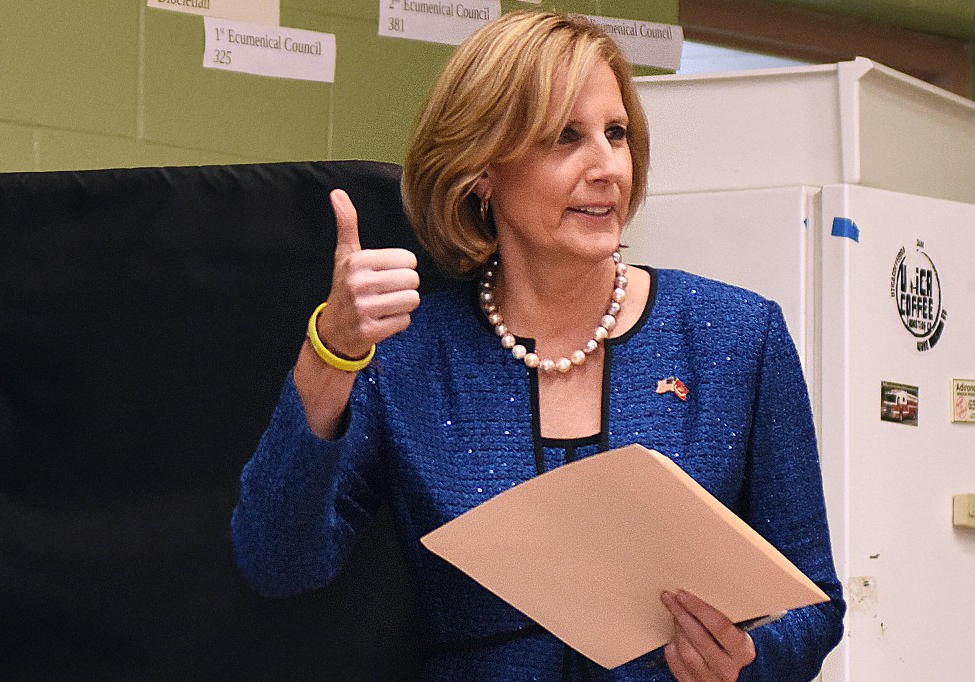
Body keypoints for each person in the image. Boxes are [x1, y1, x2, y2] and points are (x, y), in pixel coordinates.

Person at [232, 10, 845, 681]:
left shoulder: (737, 336)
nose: (608, 167)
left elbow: (815, 606)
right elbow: (277, 562)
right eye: (565, 138)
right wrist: (331, 353)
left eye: (617, 134)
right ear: (481, 170)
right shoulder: (411, 358)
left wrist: (746, 663)